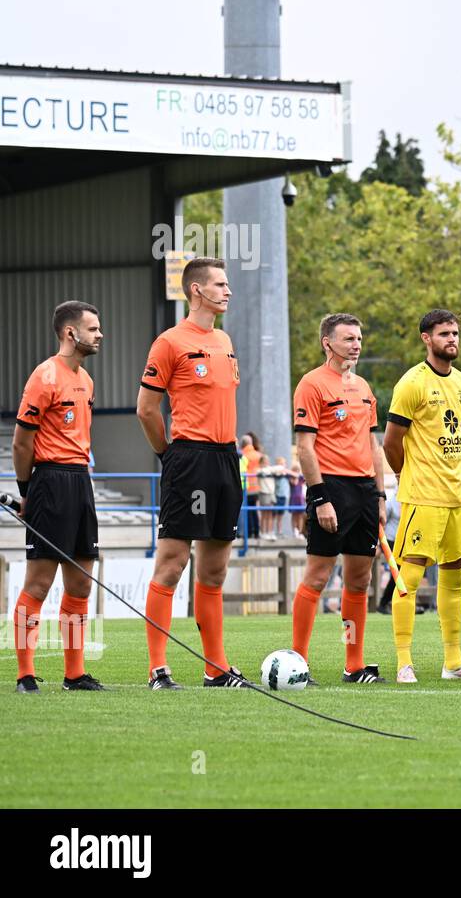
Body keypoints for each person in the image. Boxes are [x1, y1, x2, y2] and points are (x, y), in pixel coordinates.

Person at [137, 258, 246, 688]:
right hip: (189, 458)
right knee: (173, 561)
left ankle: (215, 668)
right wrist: (169, 455)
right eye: (220, 284)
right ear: (197, 290)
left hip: (225, 459)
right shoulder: (169, 342)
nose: (228, 290)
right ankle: (157, 668)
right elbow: (146, 409)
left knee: (215, 569)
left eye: (228, 283)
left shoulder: (224, 338)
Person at [383, 309, 461, 682]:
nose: (452, 339)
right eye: (444, 333)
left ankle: (453, 663)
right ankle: (404, 662)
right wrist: (402, 473)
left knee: (455, 574)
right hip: (422, 494)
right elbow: (392, 442)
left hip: (456, 494)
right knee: (409, 576)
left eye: (456, 333)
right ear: (427, 338)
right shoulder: (412, 383)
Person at [289, 313, 387, 684]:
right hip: (331, 488)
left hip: (364, 491)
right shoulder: (312, 384)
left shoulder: (363, 386)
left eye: (359, 338)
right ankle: (297, 660)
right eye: (348, 338)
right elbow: (304, 447)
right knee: (316, 576)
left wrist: (379, 494)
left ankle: (354, 664)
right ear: (327, 343)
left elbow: (373, 445)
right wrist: (320, 498)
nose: (357, 344)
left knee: (359, 581)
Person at [11, 300, 104, 693]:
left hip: (81, 481)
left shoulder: (86, 380)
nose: (100, 334)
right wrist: (29, 493)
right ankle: (25, 674)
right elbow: (21, 443)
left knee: (81, 583)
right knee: (39, 583)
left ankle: (74, 674)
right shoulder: (44, 376)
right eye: (93, 328)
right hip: (49, 482)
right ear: (71, 333)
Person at [241, 432, 261, 541]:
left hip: (247, 487)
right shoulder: (258, 455)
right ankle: (257, 532)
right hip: (257, 488)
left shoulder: (243, 456)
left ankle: (249, 533)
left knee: (247, 511)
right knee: (254, 510)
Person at [289, 463, 306, 538]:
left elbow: (305, 478)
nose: (297, 471)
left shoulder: (301, 477)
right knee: (294, 515)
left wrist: (299, 473)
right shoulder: (291, 477)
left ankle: (300, 532)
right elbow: (295, 483)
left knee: (301, 516)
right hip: (293, 499)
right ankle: (294, 531)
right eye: (295, 470)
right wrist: (295, 475)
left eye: (298, 470)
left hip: (300, 499)